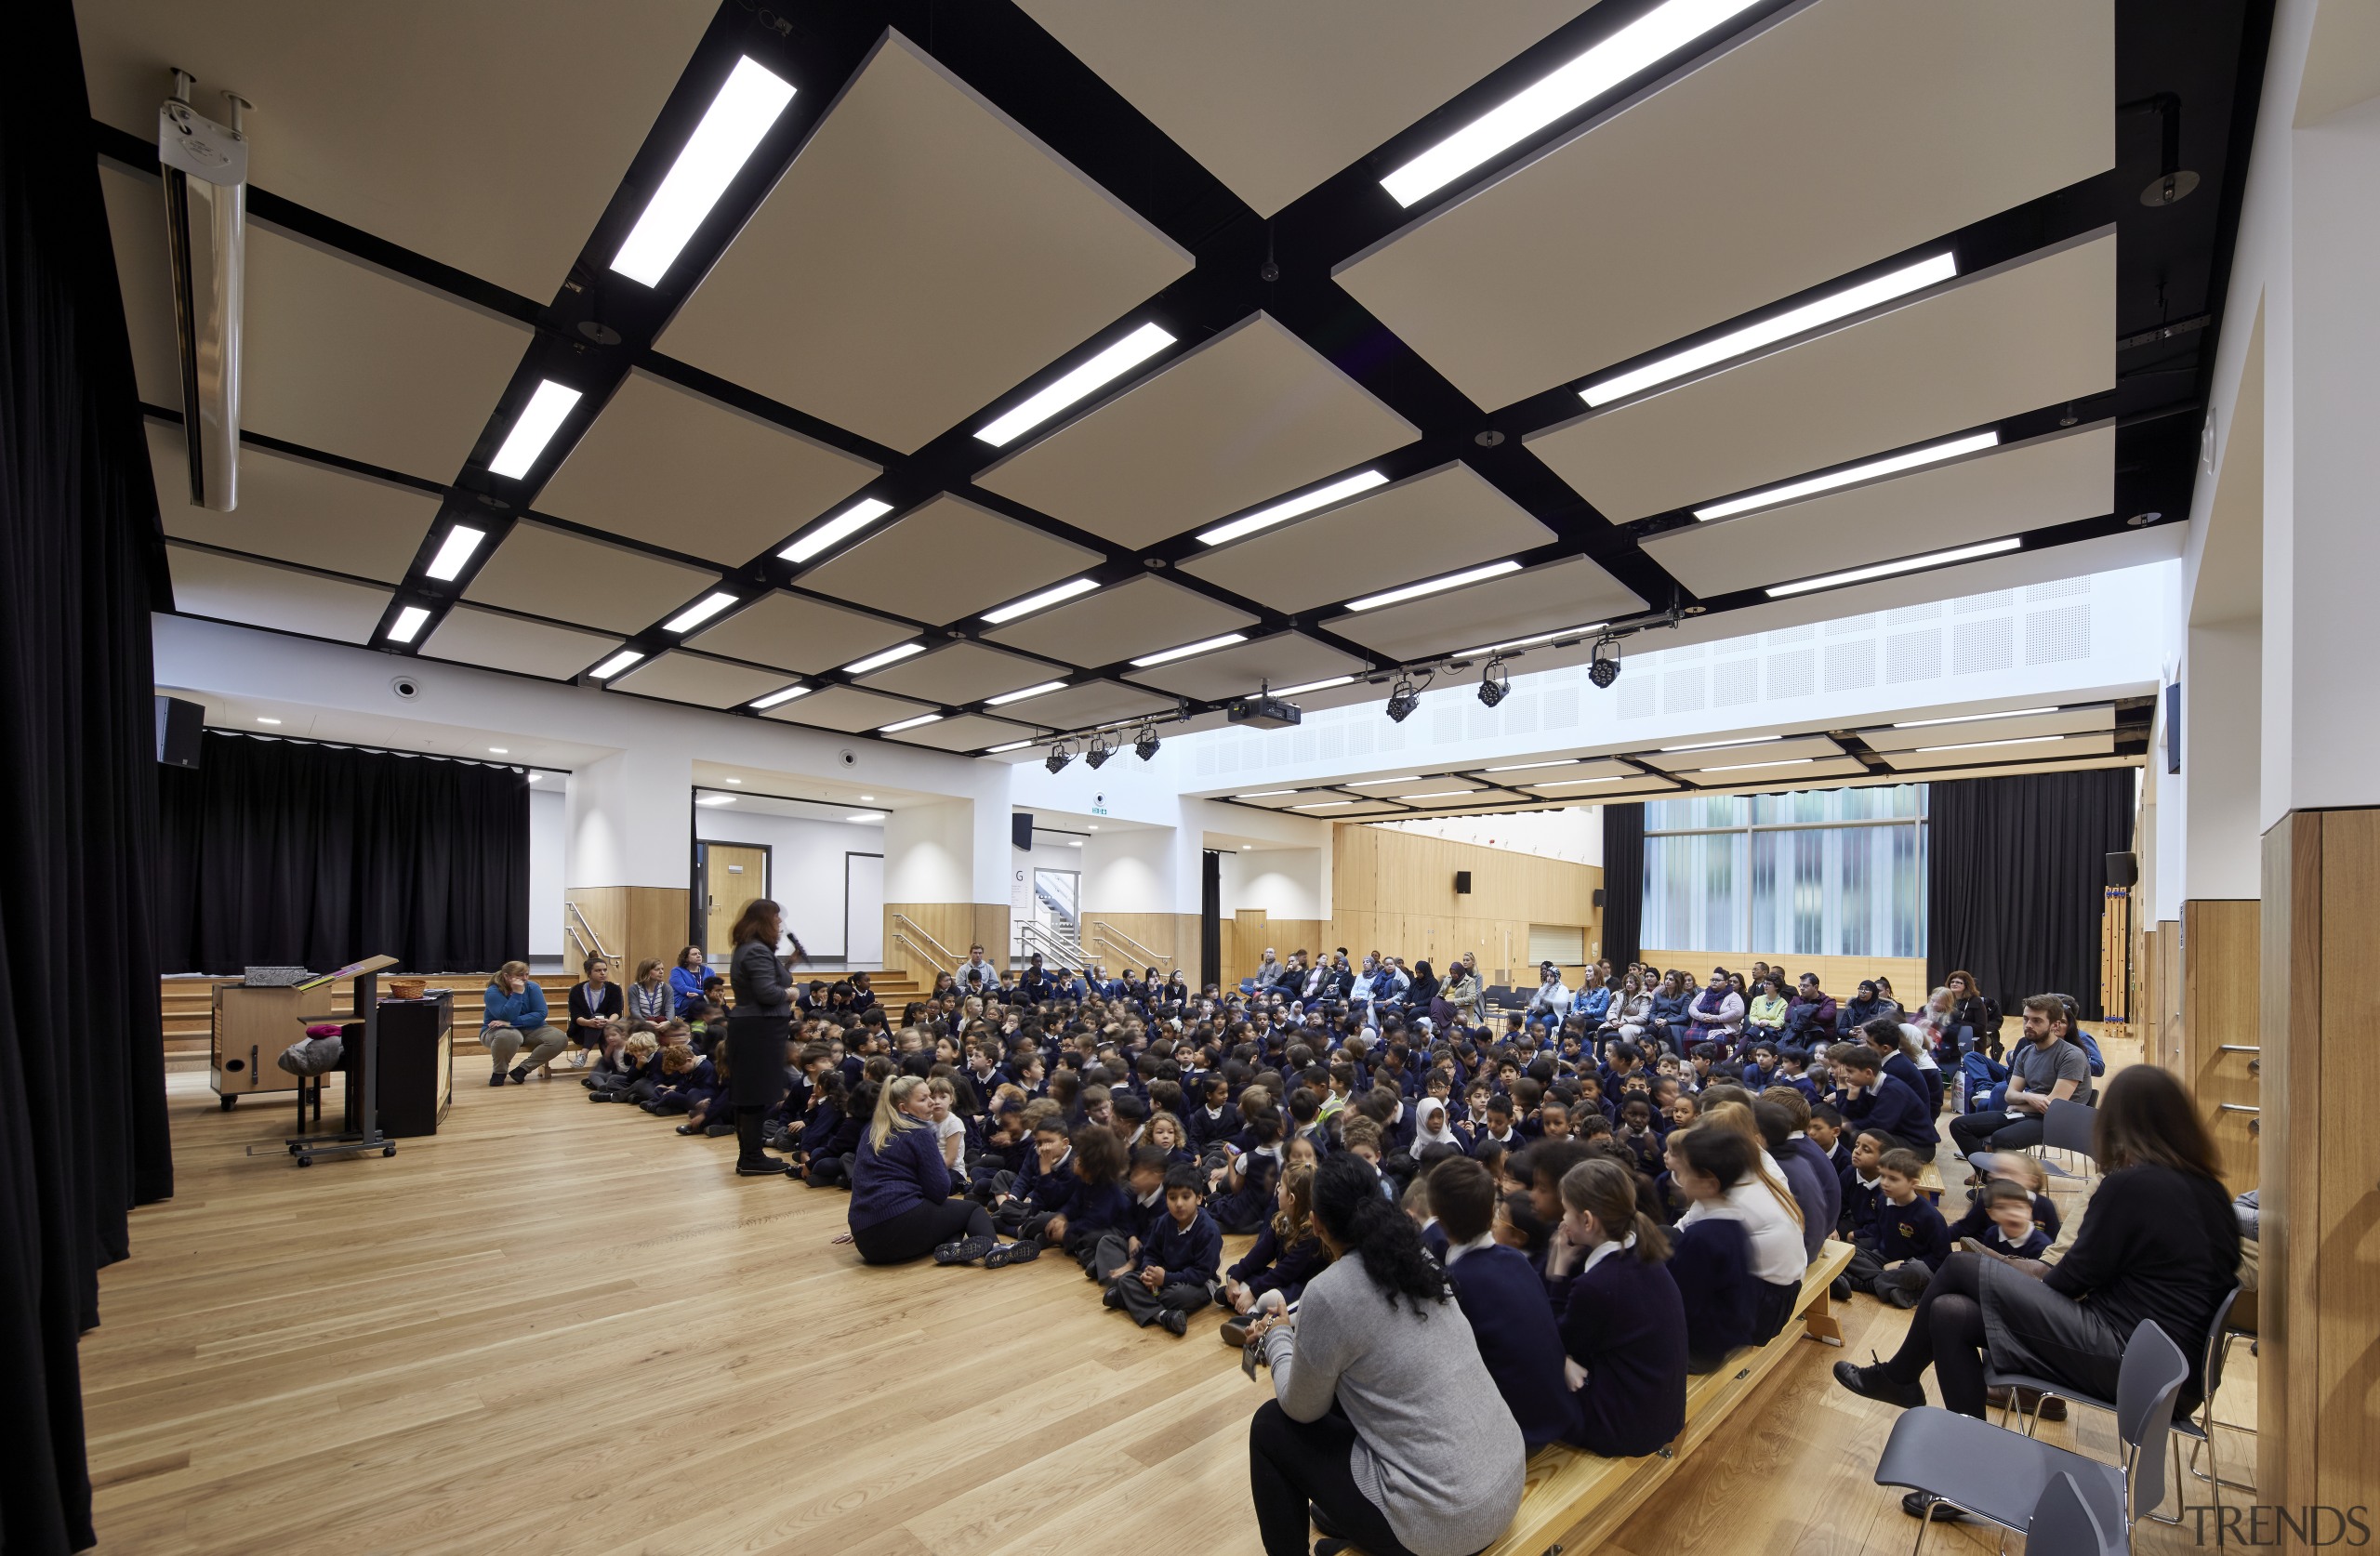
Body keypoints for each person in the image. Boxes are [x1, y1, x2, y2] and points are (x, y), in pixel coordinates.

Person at [1835, 1066, 2240, 1524]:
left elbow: (2070, 1281)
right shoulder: (2209, 1191)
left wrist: (2008, 1279)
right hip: (2170, 1376)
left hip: (2129, 1359)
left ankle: (1900, 1376)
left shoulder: (2132, 1184)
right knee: (1949, 1312)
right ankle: (1962, 1475)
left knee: (1961, 1266)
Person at [1246, 1153, 1525, 1556]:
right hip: (1502, 1483)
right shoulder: (1418, 1256)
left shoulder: (1328, 1291)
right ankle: (1349, 1526)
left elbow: (1300, 1408)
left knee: (1269, 1425)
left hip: (1444, 1524)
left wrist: (1277, 1337)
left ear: (1318, 1223)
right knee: (1358, 1391)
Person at [1432, 1156, 1580, 1453]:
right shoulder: (1514, 1258)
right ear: (1492, 1212)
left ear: (1438, 1218)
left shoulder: (1455, 1283)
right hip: (1558, 1414)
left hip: (1517, 1435)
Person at [1544, 1156, 1689, 1457]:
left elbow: (1557, 1339)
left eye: (1566, 1211)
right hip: (1662, 1411)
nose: (1562, 1221)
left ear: (1587, 1220)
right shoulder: (1643, 1250)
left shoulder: (1597, 1285)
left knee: (1529, 1367)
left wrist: (1558, 1270)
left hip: (1626, 1427)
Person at [845, 1075, 1002, 1264]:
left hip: (865, 1241)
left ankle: (953, 1248)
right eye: (923, 1099)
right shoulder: (918, 1133)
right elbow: (940, 1191)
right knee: (972, 1210)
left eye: (931, 1096)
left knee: (950, 1215)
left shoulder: (872, 1130)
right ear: (903, 1108)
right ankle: (997, 1250)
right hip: (897, 1230)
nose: (932, 1102)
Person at [1946, 995, 2093, 1165]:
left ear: (2055, 1025)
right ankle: (1988, 1178)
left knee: (2001, 1138)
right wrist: (2028, 1097)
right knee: (1959, 1125)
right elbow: (2010, 1095)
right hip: (2028, 1113)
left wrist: (2018, 1103)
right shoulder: (2026, 1052)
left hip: (2060, 1122)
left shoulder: (2071, 1056)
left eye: (2037, 1021)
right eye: (2026, 1019)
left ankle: (2002, 1183)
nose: (2028, 1025)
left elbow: (2054, 1106)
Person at [1106, 1165, 1221, 1335]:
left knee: (1177, 1296)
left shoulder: (1209, 1230)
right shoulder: (1163, 1222)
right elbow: (1151, 1253)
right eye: (1172, 1198)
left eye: (1185, 1197)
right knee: (1126, 1279)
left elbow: (1201, 1274)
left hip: (1197, 1283)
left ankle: (1128, 1299)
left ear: (1198, 1198)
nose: (1179, 1204)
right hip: (1164, 1278)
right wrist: (1149, 1271)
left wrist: (1166, 1278)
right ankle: (1163, 1315)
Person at [725, 900, 795, 1177]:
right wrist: (791, 995)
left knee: (752, 1096)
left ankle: (751, 1156)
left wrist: (790, 964)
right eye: (777, 921)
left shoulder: (752, 948)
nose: (780, 927)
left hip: (757, 1028)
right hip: (759, 1030)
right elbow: (768, 993)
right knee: (753, 1096)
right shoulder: (755, 950)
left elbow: (772, 981)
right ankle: (751, 1157)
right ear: (765, 921)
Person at [481, 960, 567, 1085]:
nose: (525, 978)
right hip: (496, 1030)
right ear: (506, 976)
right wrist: (517, 993)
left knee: (559, 1038)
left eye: (527, 974)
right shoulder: (493, 992)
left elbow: (541, 1013)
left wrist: (511, 1023)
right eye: (520, 975)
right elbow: (506, 1015)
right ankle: (499, 1072)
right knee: (509, 1035)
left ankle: (522, 1070)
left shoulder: (533, 987)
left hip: (532, 1028)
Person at [566, 955, 622, 1066]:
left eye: (605, 970)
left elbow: (616, 1012)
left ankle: (583, 1054)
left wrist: (609, 1022)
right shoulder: (577, 990)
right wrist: (589, 1023)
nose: (603, 973)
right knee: (598, 1018)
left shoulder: (614, 989)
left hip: (607, 1028)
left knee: (600, 1019)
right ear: (589, 973)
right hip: (582, 1030)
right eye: (598, 970)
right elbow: (576, 1016)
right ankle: (610, 1065)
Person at [626, 957, 672, 1024]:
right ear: (646, 971)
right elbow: (634, 1010)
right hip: (642, 1022)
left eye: (662, 969)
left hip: (661, 1022)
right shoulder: (634, 988)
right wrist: (645, 1023)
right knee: (650, 1019)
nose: (661, 972)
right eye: (657, 969)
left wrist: (668, 1022)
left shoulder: (666, 988)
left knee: (661, 1019)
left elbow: (670, 1008)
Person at [668, 944, 707, 1016]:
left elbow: (713, 988)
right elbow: (683, 988)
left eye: (699, 954)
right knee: (700, 1002)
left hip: (702, 999)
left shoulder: (709, 970)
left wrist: (700, 995)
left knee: (719, 1000)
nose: (698, 956)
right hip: (682, 1002)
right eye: (694, 954)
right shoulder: (677, 971)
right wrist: (704, 994)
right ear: (686, 958)